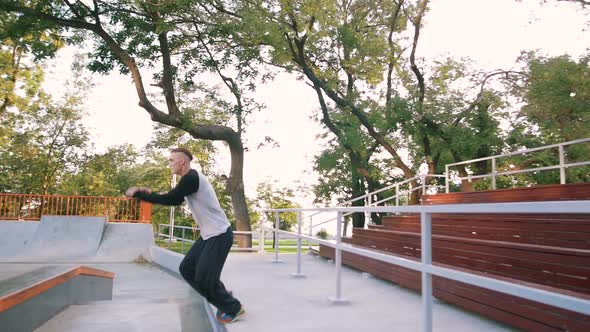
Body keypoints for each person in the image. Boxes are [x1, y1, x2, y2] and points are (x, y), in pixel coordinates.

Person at [126, 147, 244, 324]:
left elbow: (171, 200)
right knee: (187, 268)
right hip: (209, 234)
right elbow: (174, 197)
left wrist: (140, 194)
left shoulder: (192, 178)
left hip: (219, 233)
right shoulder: (189, 180)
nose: (170, 164)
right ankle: (223, 296)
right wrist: (151, 195)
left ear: (182, 161)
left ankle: (233, 308)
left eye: (171, 160)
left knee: (204, 277)